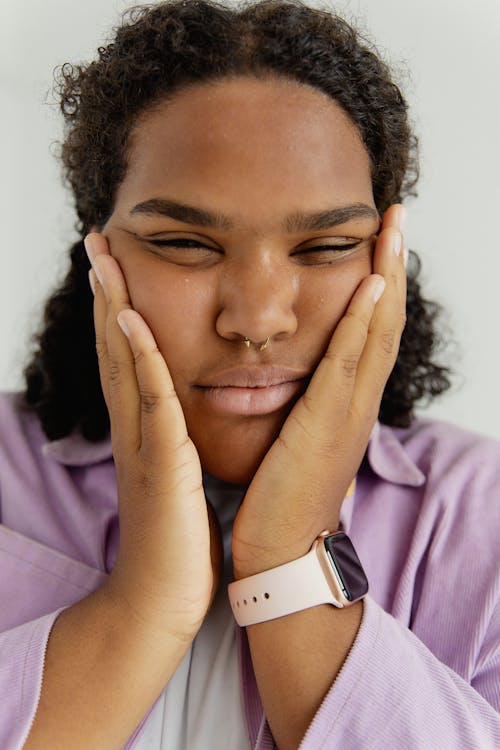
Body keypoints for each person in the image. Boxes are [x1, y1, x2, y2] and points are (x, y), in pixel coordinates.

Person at [1, 0, 499, 747]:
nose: (258, 319)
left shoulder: (479, 516)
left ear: (385, 258)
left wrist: (295, 559)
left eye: (327, 246)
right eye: (184, 242)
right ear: (100, 253)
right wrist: (145, 604)